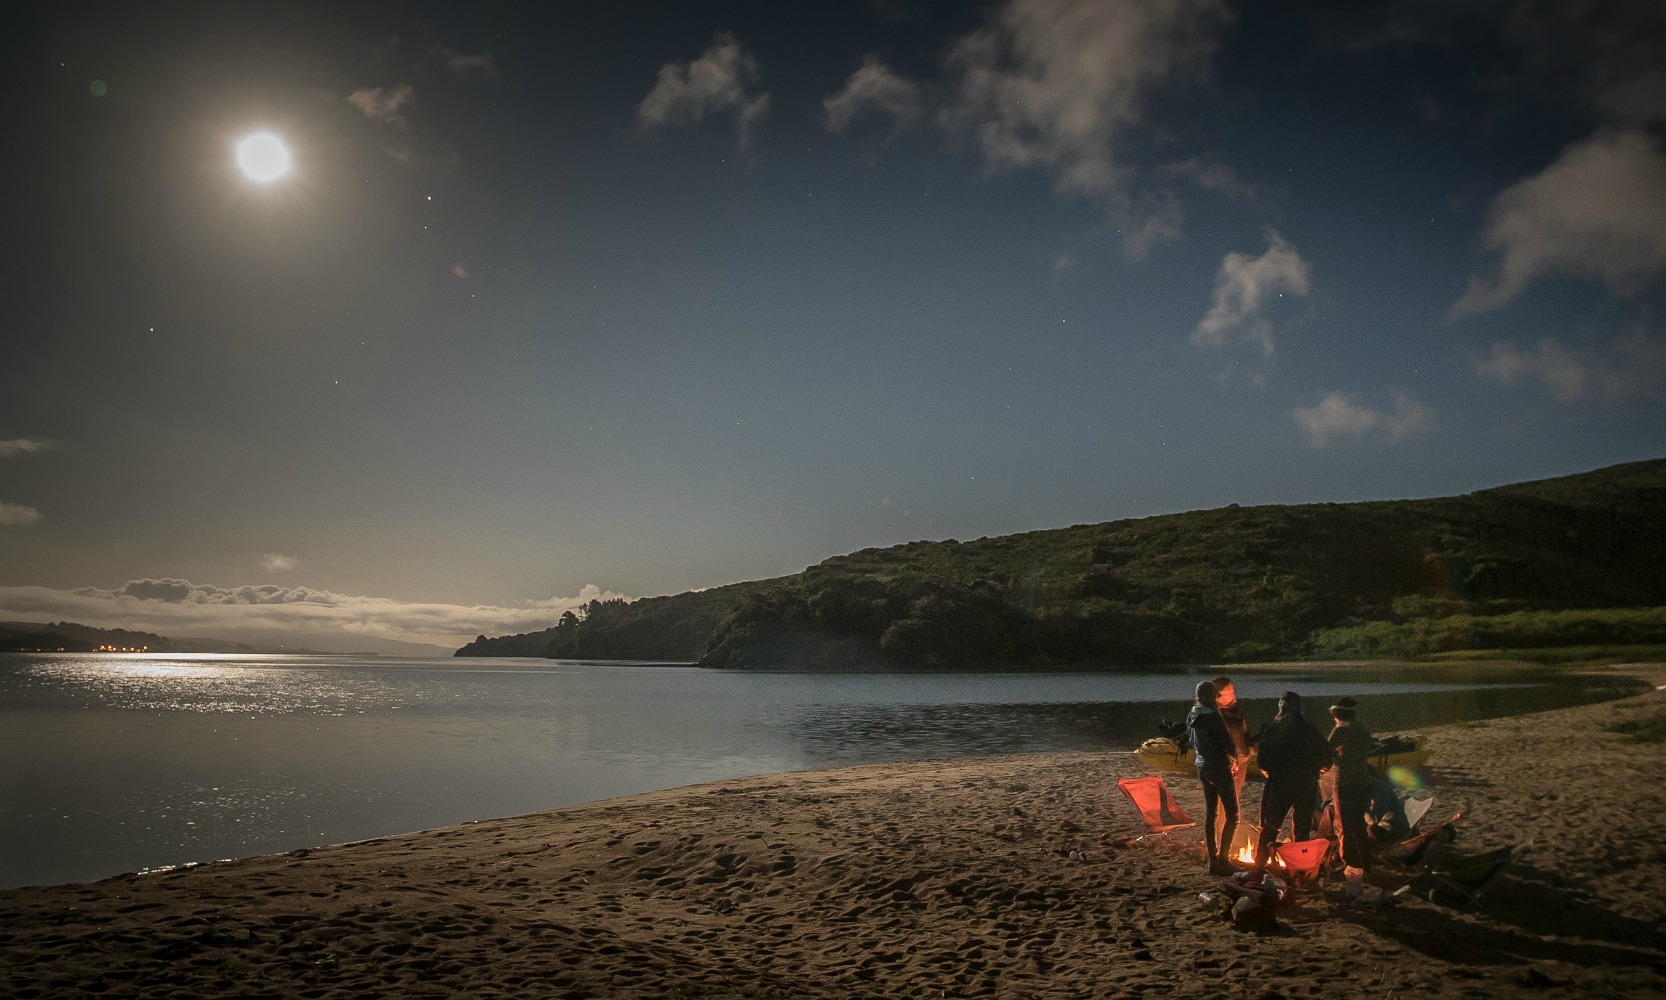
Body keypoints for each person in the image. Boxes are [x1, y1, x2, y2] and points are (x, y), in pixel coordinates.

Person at [1253, 691, 1330, 867]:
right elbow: (1327, 757)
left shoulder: (1274, 729)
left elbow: (1262, 761)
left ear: (1281, 708)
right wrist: (1318, 770)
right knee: (1302, 829)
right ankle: (1299, 866)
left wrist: (1269, 771)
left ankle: (1259, 865)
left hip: (1280, 784)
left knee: (1271, 825)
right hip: (1306, 783)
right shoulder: (1310, 730)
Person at [1187, 680, 1238, 875]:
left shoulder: (1192, 714)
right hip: (1218, 768)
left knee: (1212, 814)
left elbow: (1192, 742)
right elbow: (1227, 744)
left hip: (1201, 766)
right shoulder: (1214, 717)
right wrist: (1234, 760)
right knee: (1233, 815)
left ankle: (1212, 861)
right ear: (1211, 697)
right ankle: (1224, 860)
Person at [1327, 697, 1375, 871]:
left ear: (1338, 715)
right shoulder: (1361, 728)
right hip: (1363, 780)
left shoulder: (1341, 729)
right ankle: (1364, 860)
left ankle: (1348, 861)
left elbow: (1326, 749)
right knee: (1359, 822)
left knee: (1343, 823)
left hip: (1346, 780)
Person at [1211, 675, 1254, 803]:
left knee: (1235, 793)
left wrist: (1250, 746)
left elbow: (1244, 731)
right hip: (1226, 762)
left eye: (1232, 691)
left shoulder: (1236, 711)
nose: (1232, 694)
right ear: (1218, 696)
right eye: (1228, 692)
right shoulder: (1213, 714)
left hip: (1242, 757)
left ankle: (1232, 820)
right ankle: (1222, 822)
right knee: (1225, 796)